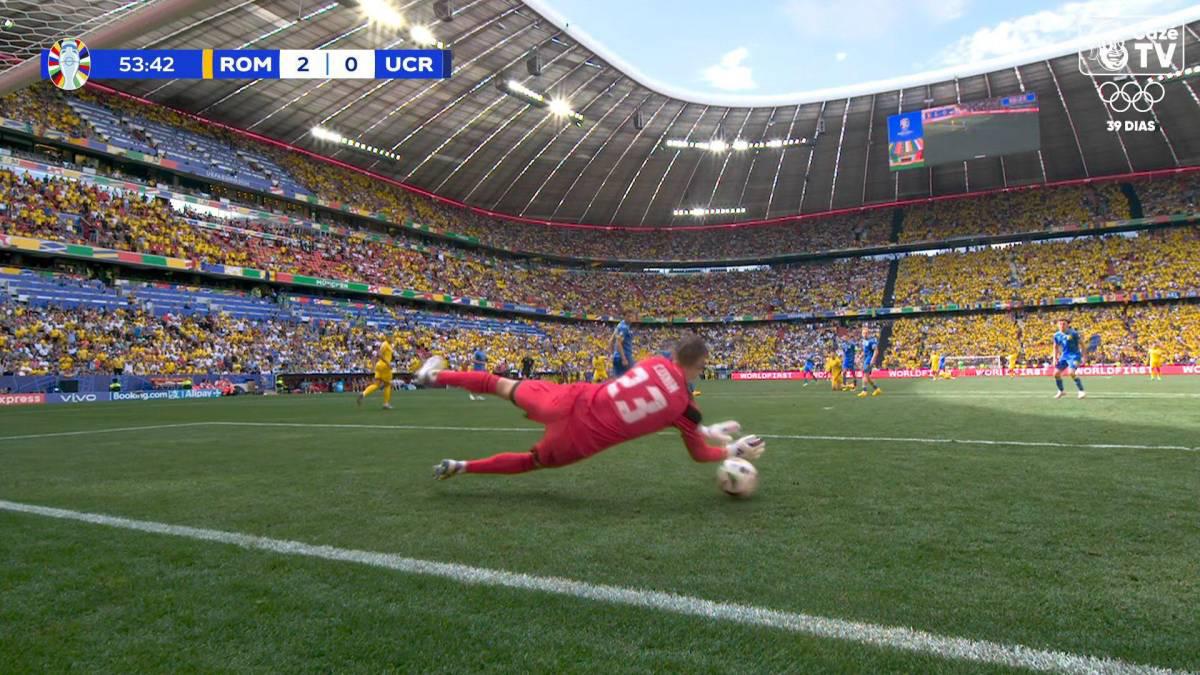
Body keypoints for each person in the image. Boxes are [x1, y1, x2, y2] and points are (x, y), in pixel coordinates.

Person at [423, 335, 765, 480]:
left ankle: (435, 375)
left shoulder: (648, 363)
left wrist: (703, 429)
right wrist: (729, 448)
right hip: (579, 439)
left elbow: (654, 390)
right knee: (531, 461)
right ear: (698, 366)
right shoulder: (685, 408)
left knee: (497, 384)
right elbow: (698, 452)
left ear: (673, 355)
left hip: (568, 399)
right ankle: (463, 466)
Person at [1052, 318, 1086, 399]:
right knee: (1056, 373)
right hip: (1064, 356)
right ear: (1057, 325)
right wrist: (1055, 358)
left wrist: (1084, 356)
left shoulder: (1073, 333)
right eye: (1060, 324)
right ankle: (1061, 391)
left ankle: (1081, 391)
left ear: (1067, 325)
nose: (1062, 325)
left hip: (1075, 356)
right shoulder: (1056, 335)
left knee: (1071, 372)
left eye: (1064, 324)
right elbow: (1055, 347)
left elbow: (1082, 344)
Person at [357, 337, 395, 409]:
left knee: (376, 385)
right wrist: (388, 363)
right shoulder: (385, 344)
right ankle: (386, 404)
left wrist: (374, 367)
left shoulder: (387, 344)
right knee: (388, 385)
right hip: (385, 367)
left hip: (379, 365)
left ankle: (363, 393)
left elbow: (375, 357)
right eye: (391, 336)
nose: (392, 338)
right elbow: (379, 354)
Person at [856, 326, 882, 398]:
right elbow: (865, 351)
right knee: (867, 376)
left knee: (865, 375)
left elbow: (876, 351)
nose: (865, 334)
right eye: (864, 333)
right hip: (866, 359)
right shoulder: (864, 341)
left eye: (866, 333)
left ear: (869, 333)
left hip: (869, 360)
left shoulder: (872, 341)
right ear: (862, 334)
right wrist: (860, 357)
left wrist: (872, 360)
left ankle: (864, 391)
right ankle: (877, 389)